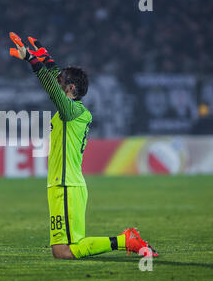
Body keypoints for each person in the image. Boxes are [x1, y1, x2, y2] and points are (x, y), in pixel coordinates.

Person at [9, 32, 157, 259]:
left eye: (62, 82)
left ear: (71, 90)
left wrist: (33, 61)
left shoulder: (73, 111)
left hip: (66, 185)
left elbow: (52, 89)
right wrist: (46, 58)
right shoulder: (74, 110)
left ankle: (125, 240)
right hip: (62, 185)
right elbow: (57, 79)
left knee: (64, 252)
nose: (57, 81)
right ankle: (125, 240)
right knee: (62, 251)